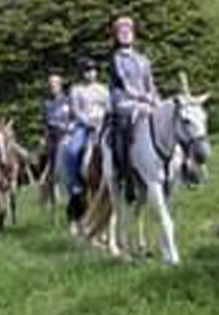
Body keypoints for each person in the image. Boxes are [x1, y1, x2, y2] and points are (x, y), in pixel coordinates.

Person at [107, 16, 160, 186]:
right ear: (116, 36)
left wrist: (155, 99)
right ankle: (124, 169)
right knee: (123, 126)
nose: (125, 34)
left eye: (128, 31)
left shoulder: (143, 59)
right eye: (121, 32)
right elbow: (125, 85)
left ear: (133, 34)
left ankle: (183, 164)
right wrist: (143, 97)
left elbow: (150, 83)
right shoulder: (116, 58)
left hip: (145, 100)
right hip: (124, 102)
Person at [62, 57, 110, 200]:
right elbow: (76, 111)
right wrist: (88, 122)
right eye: (87, 70)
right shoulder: (76, 90)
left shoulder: (103, 89)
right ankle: (75, 182)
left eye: (93, 70)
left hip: (103, 125)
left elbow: (109, 108)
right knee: (72, 150)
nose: (91, 73)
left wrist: (103, 120)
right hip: (84, 126)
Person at [41, 71, 74, 184]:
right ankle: (52, 186)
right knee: (51, 160)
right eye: (50, 83)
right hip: (51, 134)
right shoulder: (46, 102)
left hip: (66, 133)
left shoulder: (68, 100)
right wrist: (43, 137)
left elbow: (73, 117)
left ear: (60, 85)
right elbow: (45, 122)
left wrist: (70, 129)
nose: (52, 86)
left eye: (55, 83)